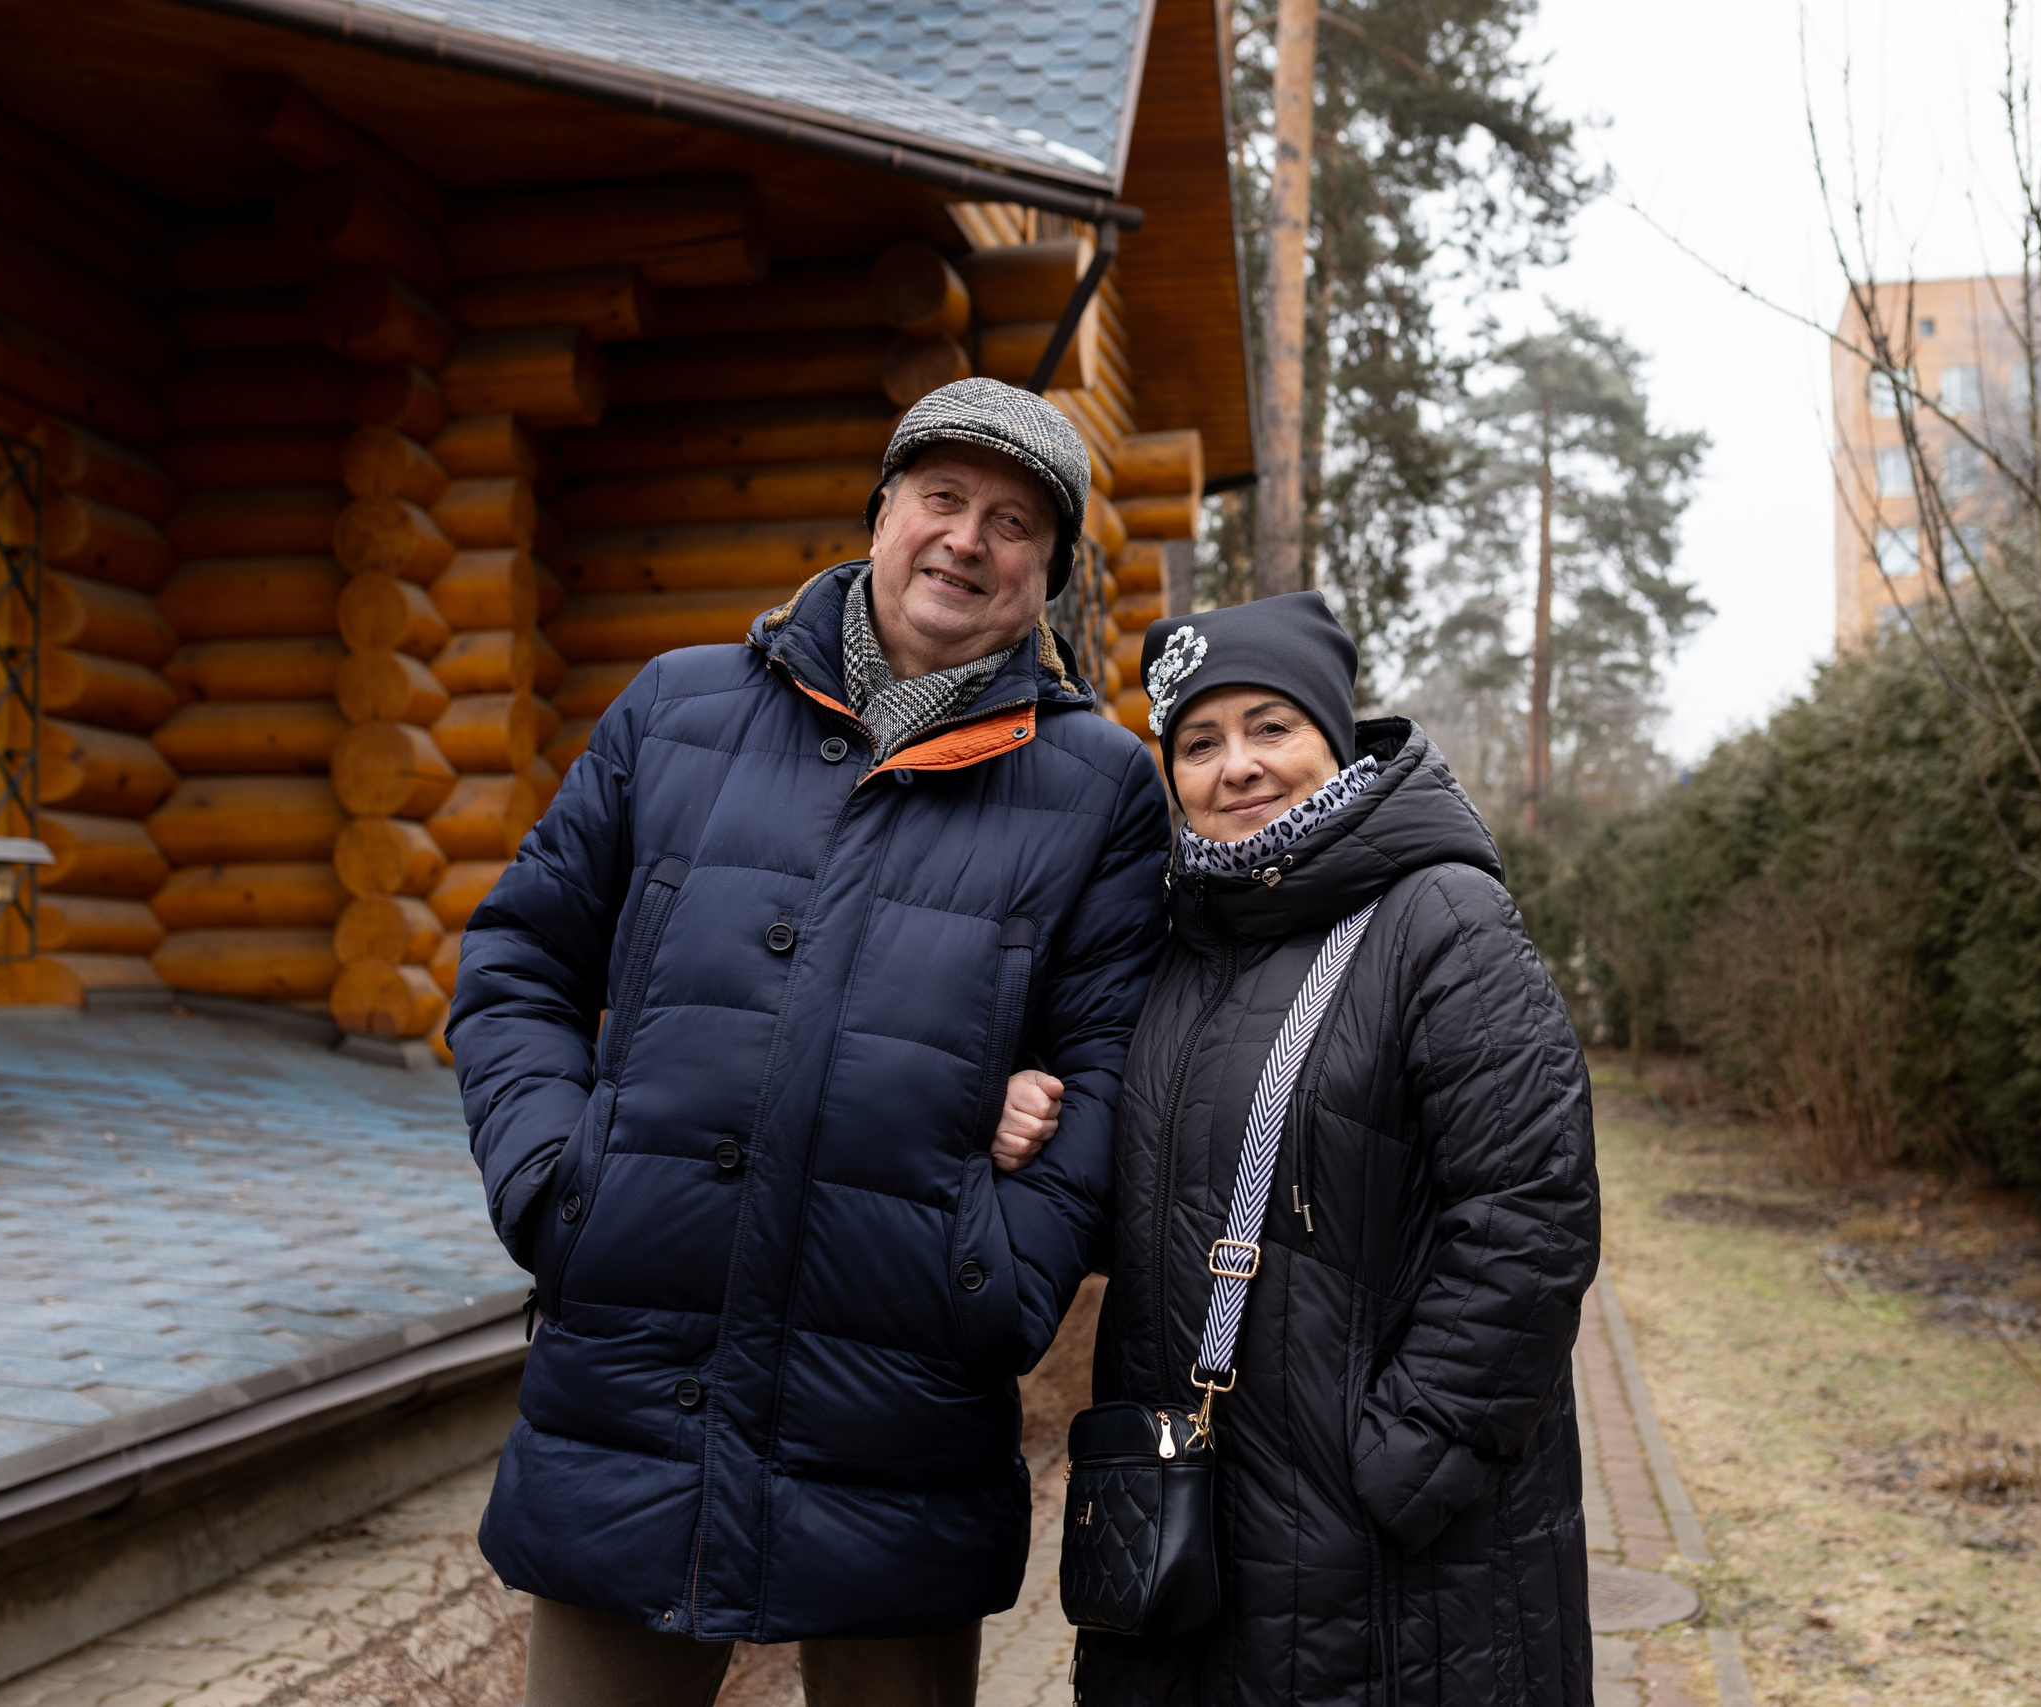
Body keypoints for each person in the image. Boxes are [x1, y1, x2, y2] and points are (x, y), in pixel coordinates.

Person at [450, 378, 1171, 1707]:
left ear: (1051, 576)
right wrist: (557, 1176)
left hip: (900, 1400)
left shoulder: (1099, 789)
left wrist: (1000, 1267)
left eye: (1015, 522)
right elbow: (517, 955)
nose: (968, 538)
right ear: (881, 513)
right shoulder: (676, 709)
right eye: (942, 497)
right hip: (632, 1373)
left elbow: (1117, 1061)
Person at [1078, 593, 1602, 1705]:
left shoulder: (1438, 920)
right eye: (1201, 743)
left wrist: (1412, 1459)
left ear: (1334, 733)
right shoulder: (1174, 949)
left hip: (1392, 1558)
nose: (1238, 767)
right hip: (1197, 1533)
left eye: (1271, 726)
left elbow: (1531, 1213)